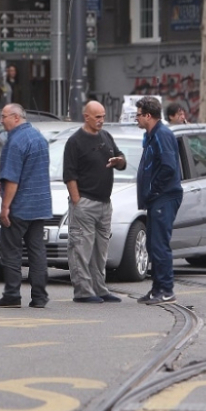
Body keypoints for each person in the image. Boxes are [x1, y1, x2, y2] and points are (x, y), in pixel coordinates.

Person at [0, 103, 51, 308]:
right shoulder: (38, 137)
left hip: (20, 206)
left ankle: (12, 294)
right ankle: (40, 296)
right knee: (37, 251)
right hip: (40, 205)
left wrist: (5, 207)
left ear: (15, 117)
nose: (1, 120)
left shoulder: (15, 142)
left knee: (12, 251)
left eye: (4, 116)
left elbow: (13, 179)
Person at [64, 101, 126, 303]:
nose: (101, 121)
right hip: (85, 202)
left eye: (103, 116)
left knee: (101, 250)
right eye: (97, 117)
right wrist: (77, 202)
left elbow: (121, 158)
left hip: (104, 203)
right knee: (81, 248)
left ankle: (99, 288)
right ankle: (83, 291)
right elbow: (69, 175)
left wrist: (119, 161)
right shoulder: (75, 141)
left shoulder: (106, 136)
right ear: (86, 117)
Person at [135, 96, 183, 306]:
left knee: (159, 244)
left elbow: (168, 167)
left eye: (138, 115)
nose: (136, 119)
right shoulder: (152, 135)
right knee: (153, 243)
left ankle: (166, 289)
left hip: (164, 197)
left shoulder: (161, 135)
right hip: (157, 198)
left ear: (147, 115)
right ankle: (157, 288)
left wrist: (153, 190)